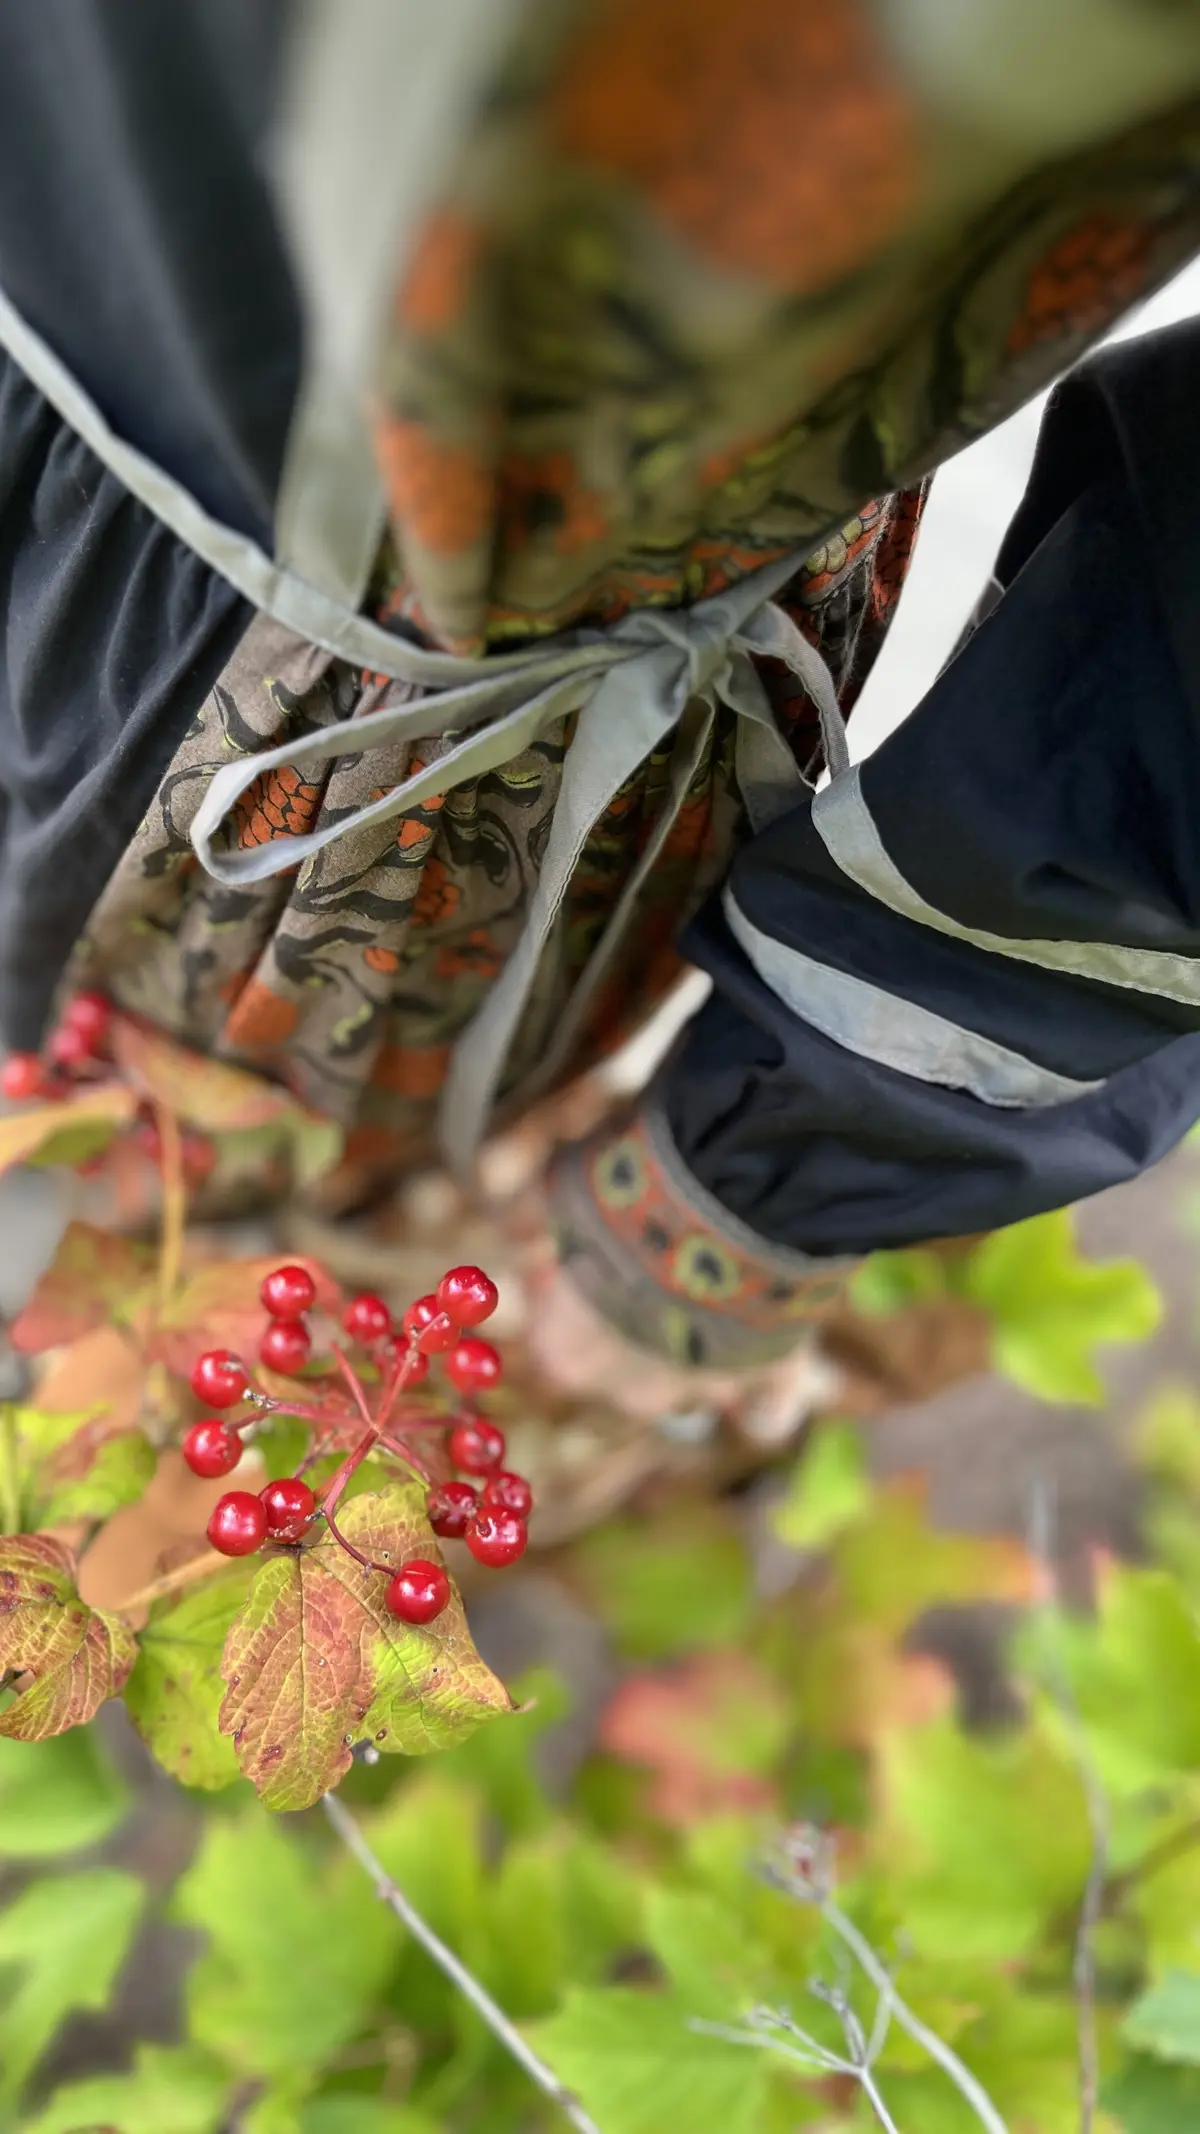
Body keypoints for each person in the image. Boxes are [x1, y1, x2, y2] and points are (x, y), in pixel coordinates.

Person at [2, 0, 1200, 1424]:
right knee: (118, 1179)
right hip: (322, 718)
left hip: (364, 751)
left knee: (149, 1211)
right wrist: (761, 1186)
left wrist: (778, 1161)